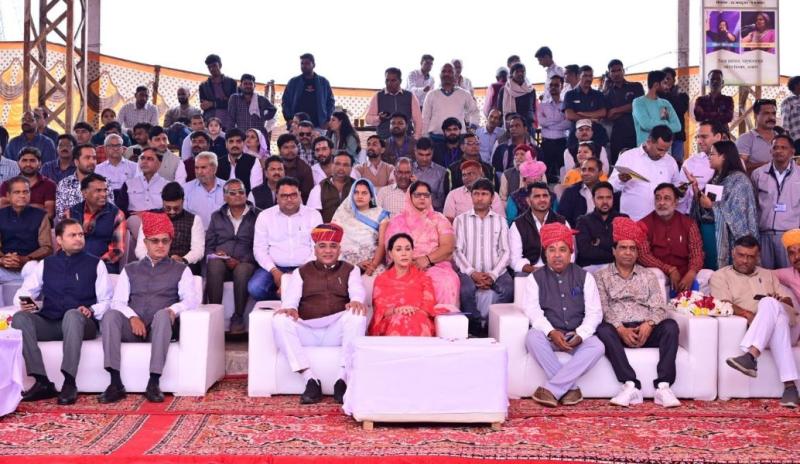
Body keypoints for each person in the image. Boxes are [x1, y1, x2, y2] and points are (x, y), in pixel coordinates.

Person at [99, 212, 200, 404]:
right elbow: (117, 302)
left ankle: (154, 382)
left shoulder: (181, 269)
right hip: (133, 329)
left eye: (165, 241)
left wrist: (173, 310)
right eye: (155, 241)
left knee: (163, 315)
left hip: (159, 328)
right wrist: (132, 317)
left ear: (170, 242)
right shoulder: (130, 269)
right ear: (145, 243)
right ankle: (115, 383)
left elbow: (191, 301)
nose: (160, 245)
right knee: (111, 315)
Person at [11, 218, 111, 404]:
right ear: (59, 240)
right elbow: (23, 293)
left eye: (80, 235)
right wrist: (24, 303)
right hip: (51, 322)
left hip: (82, 323)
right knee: (20, 318)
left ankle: (70, 382)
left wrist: (90, 309)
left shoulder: (96, 264)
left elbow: (106, 301)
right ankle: (42, 382)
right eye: (72, 235)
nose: (78, 238)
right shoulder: (46, 264)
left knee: (72, 315)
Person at [271, 223, 368, 404]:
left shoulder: (350, 269)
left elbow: (357, 290)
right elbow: (291, 298)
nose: (328, 251)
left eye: (333, 246)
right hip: (307, 330)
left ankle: (342, 380)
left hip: (335, 331)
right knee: (280, 320)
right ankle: (310, 379)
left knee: (357, 315)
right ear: (314, 249)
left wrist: (356, 300)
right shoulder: (301, 272)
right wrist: (290, 307)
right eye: (322, 246)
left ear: (339, 249)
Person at [594, 216, 682, 408]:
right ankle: (630, 385)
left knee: (670, 326)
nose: (628, 252)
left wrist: (649, 325)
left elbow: (659, 307)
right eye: (623, 248)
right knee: (602, 330)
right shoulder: (601, 276)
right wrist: (620, 329)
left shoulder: (649, 275)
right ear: (614, 251)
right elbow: (603, 307)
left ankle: (663, 387)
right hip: (618, 330)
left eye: (632, 248)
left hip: (646, 328)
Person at [712, 235, 799, 408]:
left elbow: (789, 303)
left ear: (757, 257)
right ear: (733, 253)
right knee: (776, 318)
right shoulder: (720, 276)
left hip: (790, 328)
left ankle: (750, 355)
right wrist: (746, 313)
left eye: (750, 257)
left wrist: (779, 300)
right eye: (741, 255)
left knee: (769, 303)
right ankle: (790, 387)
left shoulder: (768, 275)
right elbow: (722, 303)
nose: (745, 261)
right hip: (762, 328)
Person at [523, 222, 604, 407]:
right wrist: (551, 332)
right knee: (532, 338)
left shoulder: (585, 277)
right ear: (545, 254)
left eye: (562, 249)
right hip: (549, 336)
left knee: (597, 346)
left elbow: (594, 313)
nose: (557, 255)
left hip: (576, 336)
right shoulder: (534, 278)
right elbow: (533, 311)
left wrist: (581, 334)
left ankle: (552, 389)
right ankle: (570, 389)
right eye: (551, 250)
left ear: (570, 252)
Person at [454, 178, 513, 336]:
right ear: (471, 196)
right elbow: (457, 250)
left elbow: (506, 251)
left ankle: (491, 326)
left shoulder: (501, 221)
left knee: (508, 289)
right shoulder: (460, 220)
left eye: (484, 194)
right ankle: (475, 326)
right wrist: (472, 272)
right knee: (466, 290)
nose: (480, 198)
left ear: (492, 197)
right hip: (468, 270)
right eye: (476, 194)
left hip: (496, 271)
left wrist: (493, 275)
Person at [686, 141, 759, 269]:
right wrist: (696, 189)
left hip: (727, 239)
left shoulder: (740, 180)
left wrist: (712, 206)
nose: (709, 157)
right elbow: (705, 206)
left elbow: (738, 214)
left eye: (712, 154)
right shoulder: (716, 179)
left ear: (724, 156)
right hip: (710, 235)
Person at [385, 181, 459, 305]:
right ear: (410, 196)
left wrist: (426, 259)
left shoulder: (439, 219)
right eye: (418, 195)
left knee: (447, 282)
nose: (422, 198)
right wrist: (409, 264)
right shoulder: (397, 220)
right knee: (403, 283)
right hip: (404, 265)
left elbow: (448, 247)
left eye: (426, 195)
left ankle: (443, 316)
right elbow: (391, 249)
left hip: (436, 265)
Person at [249, 177, 321, 301]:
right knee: (255, 288)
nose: (289, 199)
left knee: (319, 289)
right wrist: (274, 271)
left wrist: (299, 272)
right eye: (284, 196)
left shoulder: (313, 215)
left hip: (306, 266)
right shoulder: (265, 216)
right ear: (277, 197)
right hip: (275, 267)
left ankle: (290, 298)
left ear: (300, 195)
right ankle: (283, 298)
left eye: (293, 195)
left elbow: (318, 248)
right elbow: (259, 249)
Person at [205, 179, 259, 334]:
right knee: (214, 264)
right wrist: (215, 255)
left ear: (246, 195)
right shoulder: (216, 216)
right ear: (225, 197)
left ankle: (238, 317)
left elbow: (261, 245)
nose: (238, 196)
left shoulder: (258, 215)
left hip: (246, 262)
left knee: (242, 270)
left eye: (241, 192)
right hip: (222, 262)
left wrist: (241, 260)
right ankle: (214, 314)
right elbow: (208, 246)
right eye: (233, 193)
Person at [370, 232, 447, 337]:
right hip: (391, 321)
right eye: (398, 249)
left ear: (412, 252)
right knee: (399, 319)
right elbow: (379, 309)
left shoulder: (423, 278)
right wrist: (397, 310)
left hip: (418, 318)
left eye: (407, 249)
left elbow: (428, 305)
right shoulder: (381, 279)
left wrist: (412, 310)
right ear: (391, 254)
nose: (404, 253)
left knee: (415, 320)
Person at [638, 183, 710, 295]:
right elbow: (643, 256)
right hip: (663, 275)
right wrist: (669, 270)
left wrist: (691, 273)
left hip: (686, 274)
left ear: (676, 202)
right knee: (654, 274)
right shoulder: (644, 224)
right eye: (658, 198)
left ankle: (699, 305)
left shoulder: (688, 223)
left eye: (667, 198)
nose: (661, 202)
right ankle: (661, 306)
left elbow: (697, 253)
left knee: (709, 275)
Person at [331, 178, 389, 304]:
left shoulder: (380, 214)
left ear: (371, 196)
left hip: (372, 261)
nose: (359, 196)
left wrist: (373, 266)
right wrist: (355, 264)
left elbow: (382, 244)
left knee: (376, 288)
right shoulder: (343, 213)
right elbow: (333, 241)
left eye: (364, 193)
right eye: (356, 192)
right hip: (346, 261)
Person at [609, 126, 681, 221]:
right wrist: (621, 180)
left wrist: (682, 189)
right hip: (632, 220)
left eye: (666, 150)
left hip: (660, 222)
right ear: (649, 142)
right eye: (660, 149)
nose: (662, 154)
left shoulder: (671, 162)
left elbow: (677, 190)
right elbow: (610, 187)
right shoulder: (628, 157)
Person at [134, 182, 204, 275]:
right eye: (168, 208)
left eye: (176, 208)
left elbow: (198, 250)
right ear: (162, 202)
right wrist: (153, 261)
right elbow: (140, 249)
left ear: (183, 201)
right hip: (153, 266)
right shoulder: (150, 217)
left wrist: (183, 260)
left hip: (182, 267)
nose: (172, 212)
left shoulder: (194, 220)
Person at [750, 135, 799, 269]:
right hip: (764, 234)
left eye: (783, 148)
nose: (779, 151)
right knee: (765, 275)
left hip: (791, 236)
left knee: (790, 275)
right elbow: (753, 205)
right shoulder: (758, 174)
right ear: (770, 150)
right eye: (775, 147)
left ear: (792, 151)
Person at [63, 173, 127, 273]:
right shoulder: (70, 213)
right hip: (72, 266)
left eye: (105, 190)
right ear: (84, 193)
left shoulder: (117, 214)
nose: (104, 194)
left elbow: (117, 250)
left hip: (103, 268)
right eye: (98, 190)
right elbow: (62, 245)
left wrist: (95, 265)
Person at [0, 176, 53, 285]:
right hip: (4, 266)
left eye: (25, 192)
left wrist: (27, 258)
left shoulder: (41, 215)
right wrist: (3, 259)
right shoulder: (1, 214)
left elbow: (47, 247)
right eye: (17, 192)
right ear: (8, 196)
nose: (22, 195)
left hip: (31, 266)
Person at [509, 182, 569, 275]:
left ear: (550, 198)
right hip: (529, 271)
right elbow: (514, 259)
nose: (542, 199)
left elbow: (570, 253)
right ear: (528, 201)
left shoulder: (562, 222)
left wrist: (554, 269)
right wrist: (534, 270)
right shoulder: (518, 224)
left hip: (558, 270)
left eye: (545, 196)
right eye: (537, 196)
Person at [676, 120, 725, 216]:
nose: (699, 141)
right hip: (695, 217)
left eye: (704, 137)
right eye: (698, 137)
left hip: (724, 219)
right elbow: (681, 199)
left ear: (718, 136)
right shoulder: (690, 162)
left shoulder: (734, 162)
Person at [575, 182, 626, 271]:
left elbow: (626, 249)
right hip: (591, 268)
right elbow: (585, 251)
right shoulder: (583, 221)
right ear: (593, 200)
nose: (605, 202)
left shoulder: (623, 219)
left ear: (613, 199)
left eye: (608, 197)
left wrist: (599, 243)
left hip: (617, 268)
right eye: (600, 198)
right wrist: (614, 252)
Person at [55, 144, 113, 221]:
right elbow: (60, 215)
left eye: (94, 158)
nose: (92, 161)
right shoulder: (64, 184)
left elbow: (111, 212)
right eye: (87, 158)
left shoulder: (104, 182)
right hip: (72, 226)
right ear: (76, 162)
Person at [421, 63, 480, 136]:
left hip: (458, 138)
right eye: (443, 71)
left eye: (450, 71)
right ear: (440, 75)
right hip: (436, 138)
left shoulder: (464, 94)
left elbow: (475, 111)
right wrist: (425, 136)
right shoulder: (431, 94)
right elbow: (425, 118)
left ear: (455, 75)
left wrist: (472, 128)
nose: (446, 74)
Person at [604, 59, 644, 164]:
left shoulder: (636, 86)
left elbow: (638, 105)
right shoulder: (607, 94)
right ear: (609, 73)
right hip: (617, 135)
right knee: (618, 164)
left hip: (636, 132)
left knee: (637, 163)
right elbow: (609, 115)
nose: (616, 73)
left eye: (619, 70)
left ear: (623, 71)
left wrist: (616, 110)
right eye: (613, 71)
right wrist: (629, 108)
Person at [281, 53, 335, 130]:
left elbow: (330, 102)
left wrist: (327, 120)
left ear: (314, 65)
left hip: (319, 125)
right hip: (297, 125)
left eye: (307, 63)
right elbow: (285, 101)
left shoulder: (323, 82)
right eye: (302, 63)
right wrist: (289, 118)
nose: (304, 66)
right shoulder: (293, 82)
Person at [365, 67, 422, 139]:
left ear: (400, 81)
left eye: (393, 80)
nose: (389, 83)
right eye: (387, 80)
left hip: (406, 140)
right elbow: (368, 119)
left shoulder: (410, 96)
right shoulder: (378, 96)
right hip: (384, 139)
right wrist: (379, 118)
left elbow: (418, 120)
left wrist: (416, 138)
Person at [0, 147, 56, 219]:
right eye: (24, 160)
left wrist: (16, 206)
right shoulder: (7, 185)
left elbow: (49, 213)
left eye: (32, 161)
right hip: (13, 225)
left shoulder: (49, 185)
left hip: (41, 225)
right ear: (18, 163)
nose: (28, 164)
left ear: (40, 163)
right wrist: (37, 207)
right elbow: (3, 210)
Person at [632, 71, 681, 148]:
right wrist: (666, 123)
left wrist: (657, 125)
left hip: (665, 151)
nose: (667, 87)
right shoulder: (638, 102)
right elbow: (646, 124)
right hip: (645, 150)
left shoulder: (665, 103)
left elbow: (677, 126)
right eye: (664, 83)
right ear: (656, 85)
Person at [563, 65, 608, 147]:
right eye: (585, 76)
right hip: (576, 136)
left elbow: (603, 112)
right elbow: (569, 115)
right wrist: (591, 119)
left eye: (590, 76)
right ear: (578, 76)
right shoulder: (570, 95)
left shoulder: (598, 94)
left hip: (596, 135)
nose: (588, 79)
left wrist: (583, 114)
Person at [538, 76, 570, 183]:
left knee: (563, 172)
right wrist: (559, 121)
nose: (553, 87)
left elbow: (568, 123)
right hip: (546, 143)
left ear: (562, 86)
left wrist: (550, 124)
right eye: (551, 85)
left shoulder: (566, 104)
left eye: (556, 85)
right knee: (545, 173)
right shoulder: (542, 105)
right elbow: (542, 122)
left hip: (562, 142)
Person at [307, 152, 355, 222]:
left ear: (351, 168)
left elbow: (368, 210)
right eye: (337, 164)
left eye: (345, 165)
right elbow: (311, 216)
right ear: (332, 165)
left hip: (353, 227)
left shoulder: (358, 186)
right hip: (327, 228)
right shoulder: (319, 188)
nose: (341, 168)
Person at [558, 157, 605, 227]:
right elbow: (562, 220)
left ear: (600, 173)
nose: (586, 173)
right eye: (583, 170)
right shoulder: (570, 192)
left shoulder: (607, 191)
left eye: (591, 170)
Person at [183, 151, 225, 228]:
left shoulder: (227, 188)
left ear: (214, 168)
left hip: (222, 234)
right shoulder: (186, 189)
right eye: (196, 168)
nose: (199, 172)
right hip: (195, 233)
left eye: (203, 167)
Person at [119, 148, 167, 215]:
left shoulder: (167, 185)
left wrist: (146, 214)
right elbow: (121, 211)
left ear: (159, 163)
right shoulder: (128, 184)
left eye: (150, 159)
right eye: (142, 158)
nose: (144, 162)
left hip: (159, 219)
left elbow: (170, 209)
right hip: (133, 220)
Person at [658, 67, 690, 166]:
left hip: (678, 136)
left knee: (677, 163)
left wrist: (670, 94)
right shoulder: (657, 96)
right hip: (661, 136)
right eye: (663, 78)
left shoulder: (682, 96)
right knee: (661, 163)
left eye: (668, 78)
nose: (666, 81)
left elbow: (680, 109)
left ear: (674, 80)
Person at [216, 128, 263, 194]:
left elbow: (256, 190)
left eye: (238, 141)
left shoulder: (253, 161)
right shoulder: (219, 163)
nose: (235, 145)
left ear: (244, 143)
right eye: (231, 141)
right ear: (226, 144)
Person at [737, 98, 779, 172]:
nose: (771, 117)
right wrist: (769, 165)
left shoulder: (781, 138)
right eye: (766, 113)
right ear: (755, 116)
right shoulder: (746, 139)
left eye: (773, 113)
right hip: (755, 179)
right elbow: (740, 166)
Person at [199, 54, 238, 130]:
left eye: (214, 66)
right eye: (209, 67)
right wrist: (223, 101)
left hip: (228, 122)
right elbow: (204, 106)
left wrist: (212, 104)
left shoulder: (231, 82)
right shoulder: (203, 86)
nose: (212, 69)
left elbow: (233, 103)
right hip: (210, 122)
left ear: (220, 65)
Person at [506, 158, 548, 222]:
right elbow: (511, 221)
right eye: (530, 184)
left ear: (541, 179)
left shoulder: (551, 197)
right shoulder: (514, 197)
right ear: (524, 181)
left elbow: (555, 219)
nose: (534, 187)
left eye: (537, 183)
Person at [498, 63, 536, 132]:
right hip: (512, 127)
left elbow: (533, 108)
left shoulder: (530, 89)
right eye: (517, 72)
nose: (520, 74)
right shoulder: (505, 90)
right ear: (512, 74)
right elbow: (500, 110)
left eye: (522, 71)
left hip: (528, 126)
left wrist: (533, 121)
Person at [411, 137, 447, 212]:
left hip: (433, 213)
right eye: (421, 154)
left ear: (433, 152)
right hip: (410, 211)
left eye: (428, 155)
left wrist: (418, 185)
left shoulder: (442, 172)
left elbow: (440, 202)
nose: (424, 159)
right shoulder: (409, 169)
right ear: (415, 151)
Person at [276, 133, 313, 202]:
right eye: (286, 147)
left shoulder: (304, 168)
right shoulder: (274, 166)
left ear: (297, 148)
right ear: (279, 150)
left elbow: (307, 195)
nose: (290, 150)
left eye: (293, 147)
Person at [492, 114, 532, 179]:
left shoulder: (534, 149)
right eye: (511, 126)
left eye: (517, 126)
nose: (513, 128)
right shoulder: (501, 148)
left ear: (525, 129)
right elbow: (496, 172)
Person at [779, 76, 800, 144]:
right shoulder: (788, 101)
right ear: (796, 85)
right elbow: (785, 122)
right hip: (797, 139)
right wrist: (787, 141)